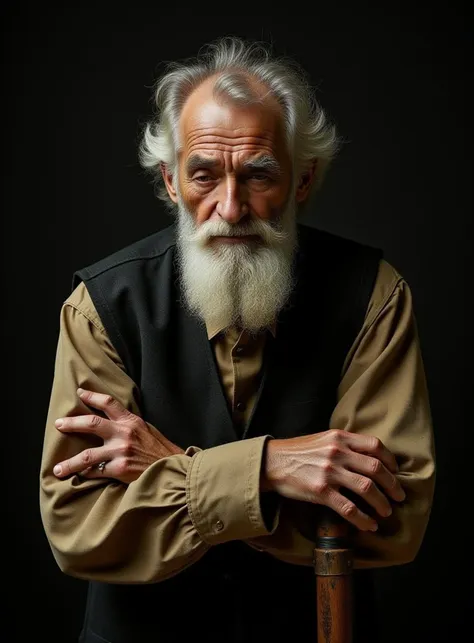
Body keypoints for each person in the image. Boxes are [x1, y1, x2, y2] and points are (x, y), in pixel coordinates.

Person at [39, 37, 436, 643]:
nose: (230, 206)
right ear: (171, 182)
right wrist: (274, 468)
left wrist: (170, 470)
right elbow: (80, 526)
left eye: (258, 175)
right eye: (203, 175)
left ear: (302, 180)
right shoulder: (100, 307)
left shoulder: (373, 296)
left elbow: (393, 520)